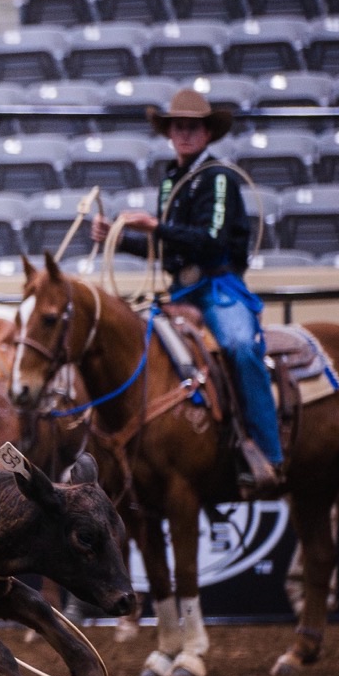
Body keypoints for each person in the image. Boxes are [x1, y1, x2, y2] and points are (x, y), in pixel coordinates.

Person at [93, 86, 280, 493]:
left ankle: (268, 453)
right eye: (178, 126)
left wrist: (156, 226)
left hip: (218, 286)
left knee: (240, 346)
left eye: (193, 127)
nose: (184, 133)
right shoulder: (171, 182)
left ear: (207, 133)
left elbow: (211, 241)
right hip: (180, 292)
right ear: (169, 132)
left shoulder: (219, 179)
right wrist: (119, 238)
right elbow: (168, 248)